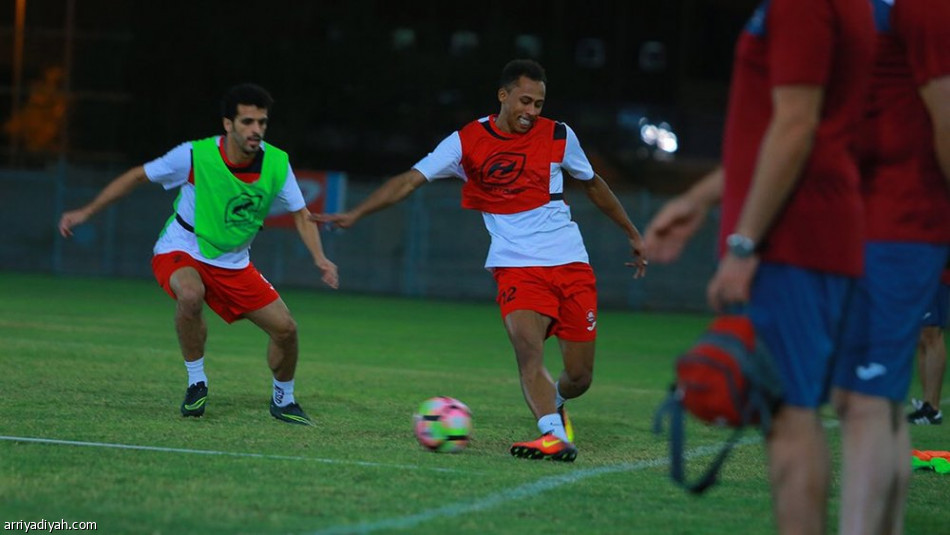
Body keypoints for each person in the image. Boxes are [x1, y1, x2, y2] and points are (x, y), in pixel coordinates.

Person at [313, 59, 647, 462]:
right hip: (515, 264)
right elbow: (409, 180)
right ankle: (553, 434)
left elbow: (593, 185)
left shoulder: (559, 135)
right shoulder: (466, 140)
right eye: (524, 101)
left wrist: (631, 231)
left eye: (538, 104)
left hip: (570, 262)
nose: (531, 111)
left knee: (579, 377)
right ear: (503, 95)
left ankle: (556, 400)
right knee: (528, 351)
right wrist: (357, 213)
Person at [58, 83, 338, 426]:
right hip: (182, 247)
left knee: (286, 330)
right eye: (247, 121)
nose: (256, 130)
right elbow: (135, 176)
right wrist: (86, 212)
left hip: (234, 262)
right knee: (190, 294)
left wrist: (320, 258)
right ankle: (197, 382)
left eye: (261, 123)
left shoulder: (277, 164)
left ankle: (284, 400)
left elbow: (300, 213)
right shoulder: (194, 155)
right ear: (228, 124)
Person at [701, 0, 874, 533]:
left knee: (790, 416)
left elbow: (796, 126)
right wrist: (697, 200)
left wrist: (745, 244)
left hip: (793, 235)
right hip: (812, 228)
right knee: (792, 413)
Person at [908, 272, 949, 425]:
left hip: (936, 271)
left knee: (931, 332)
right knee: (922, 336)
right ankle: (926, 404)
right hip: (921, 270)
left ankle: (932, 408)